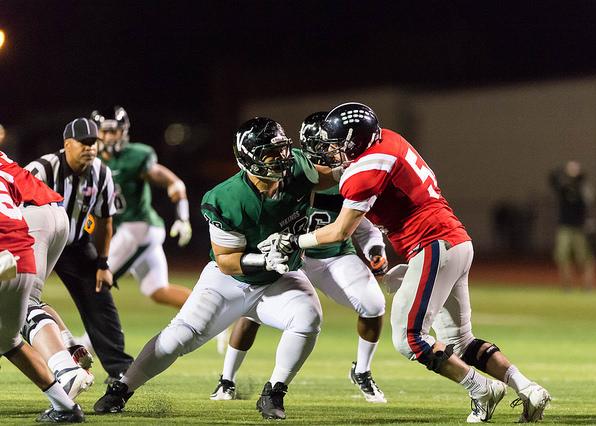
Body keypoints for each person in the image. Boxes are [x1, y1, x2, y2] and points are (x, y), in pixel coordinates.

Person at [261, 102, 552, 423]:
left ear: (354, 141)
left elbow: (341, 229)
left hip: (433, 245)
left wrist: (294, 239)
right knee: (460, 341)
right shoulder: (388, 139)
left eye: (335, 144)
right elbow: (354, 179)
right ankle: (528, 389)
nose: (330, 151)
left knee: (409, 339)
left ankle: (481, 389)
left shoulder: (363, 172)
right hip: (455, 241)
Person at [93, 117, 339, 420]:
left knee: (308, 317)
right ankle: (122, 389)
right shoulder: (225, 198)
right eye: (271, 153)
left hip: (277, 280)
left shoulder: (299, 168)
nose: (282, 157)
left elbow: (338, 178)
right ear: (251, 157)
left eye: (282, 149)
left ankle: (274, 392)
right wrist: (264, 259)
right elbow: (226, 259)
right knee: (177, 339)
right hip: (230, 281)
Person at [210, 111, 389, 404]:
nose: (335, 151)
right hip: (291, 256)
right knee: (251, 311)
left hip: (333, 256)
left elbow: (362, 222)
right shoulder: (290, 171)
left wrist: (375, 248)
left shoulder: (347, 176)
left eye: (336, 145)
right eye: (328, 145)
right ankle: (227, 378)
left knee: (374, 304)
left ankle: (362, 370)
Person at [25, 118, 134, 384]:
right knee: (23, 300)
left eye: (93, 143)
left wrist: (103, 264)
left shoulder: (101, 173)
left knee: (100, 295)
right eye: (84, 143)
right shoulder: (41, 169)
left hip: (75, 244)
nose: (90, 148)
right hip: (39, 243)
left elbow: (106, 221)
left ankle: (119, 368)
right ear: (67, 145)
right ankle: (64, 346)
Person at [0, 151, 96, 400]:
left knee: (23, 305)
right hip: (55, 213)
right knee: (29, 298)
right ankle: (67, 341)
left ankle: (65, 370)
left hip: (29, 219)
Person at [89, 106, 192, 308]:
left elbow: (175, 183)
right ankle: (214, 310)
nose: (109, 137)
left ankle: (91, 340)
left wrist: (183, 217)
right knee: (158, 291)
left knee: (97, 280)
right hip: (132, 229)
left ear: (123, 132)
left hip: (138, 227)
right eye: (104, 131)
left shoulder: (136, 156)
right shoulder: (91, 160)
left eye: (114, 131)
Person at [549, 160, 596, 290]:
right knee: (562, 255)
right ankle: (566, 284)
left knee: (584, 257)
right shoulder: (563, 188)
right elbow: (552, 179)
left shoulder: (583, 186)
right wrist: (560, 169)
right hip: (565, 226)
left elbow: (589, 204)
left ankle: (588, 284)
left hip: (580, 226)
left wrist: (590, 222)